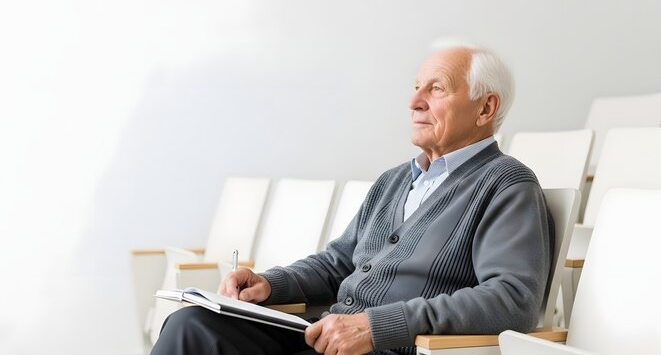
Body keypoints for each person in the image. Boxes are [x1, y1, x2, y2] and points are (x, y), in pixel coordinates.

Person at [151, 44, 553, 355]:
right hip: (325, 335)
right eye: (416, 88)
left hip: (391, 347)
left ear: (486, 108)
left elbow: (511, 299)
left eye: (437, 89)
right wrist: (270, 285)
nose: (414, 103)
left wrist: (378, 327)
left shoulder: (507, 183)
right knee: (191, 325)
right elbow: (338, 262)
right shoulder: (394, 179)